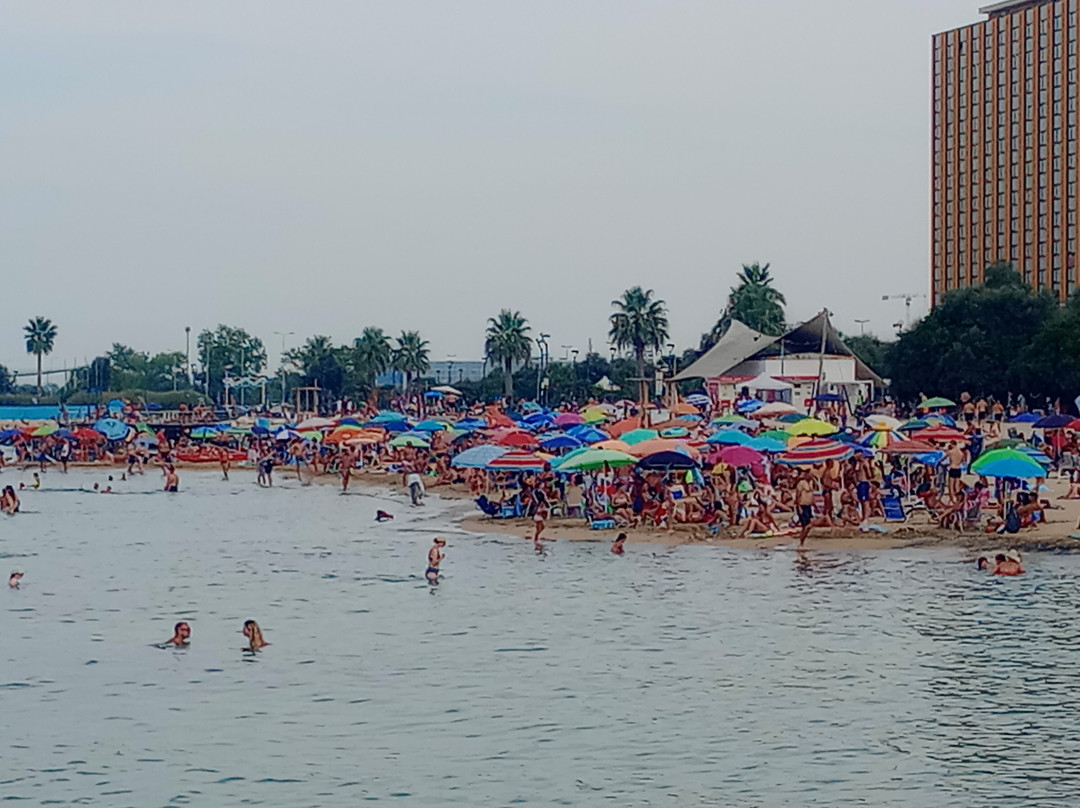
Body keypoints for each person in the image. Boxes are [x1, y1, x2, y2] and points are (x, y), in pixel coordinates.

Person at [795, 471, 815, 548]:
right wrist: (799, 507)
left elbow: (811, 496)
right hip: (802, 506)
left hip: (808, 506)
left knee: (808, 526)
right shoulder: (801, 483)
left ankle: (802, 542)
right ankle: (801, 542)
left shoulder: (810, 483)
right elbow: (798, 495)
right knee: (806, 525)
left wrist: (815, 506)